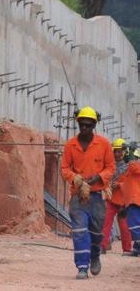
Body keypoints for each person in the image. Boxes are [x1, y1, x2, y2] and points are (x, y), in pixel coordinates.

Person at [60, 106, 114, 279]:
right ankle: (82, 266)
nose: (84, 128)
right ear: (78, 123)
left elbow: (110, 168)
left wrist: (96, 179)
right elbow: (64, 168)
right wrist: (76, 179)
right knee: (79, 230)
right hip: (78, 197)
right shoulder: (71, 145)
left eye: (88, 125)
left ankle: (95, 255)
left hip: (97, 196)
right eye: (82, 124)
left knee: (96, 232)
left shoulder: (104, 144)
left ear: (94, 125)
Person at [100, 138, 133, 254]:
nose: (117, 154)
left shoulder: (130, 166)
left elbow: (131, 183)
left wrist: (118, 185)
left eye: (120, 151)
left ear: (124, 152)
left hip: (123, 201)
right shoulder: (110, 165)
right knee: (105, 222)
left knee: (124, 226)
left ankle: (127, 249)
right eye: (115, 151)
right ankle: (102, 246)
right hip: (111, 199)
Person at [119, 154, 140, 256]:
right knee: (135, 224)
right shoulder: (131, 169)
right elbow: (127, 186)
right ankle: (137, 249)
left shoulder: (136, 167)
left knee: (134, 225)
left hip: (135, 201)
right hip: (131, 200)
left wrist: (132, 159)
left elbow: (135, 167)